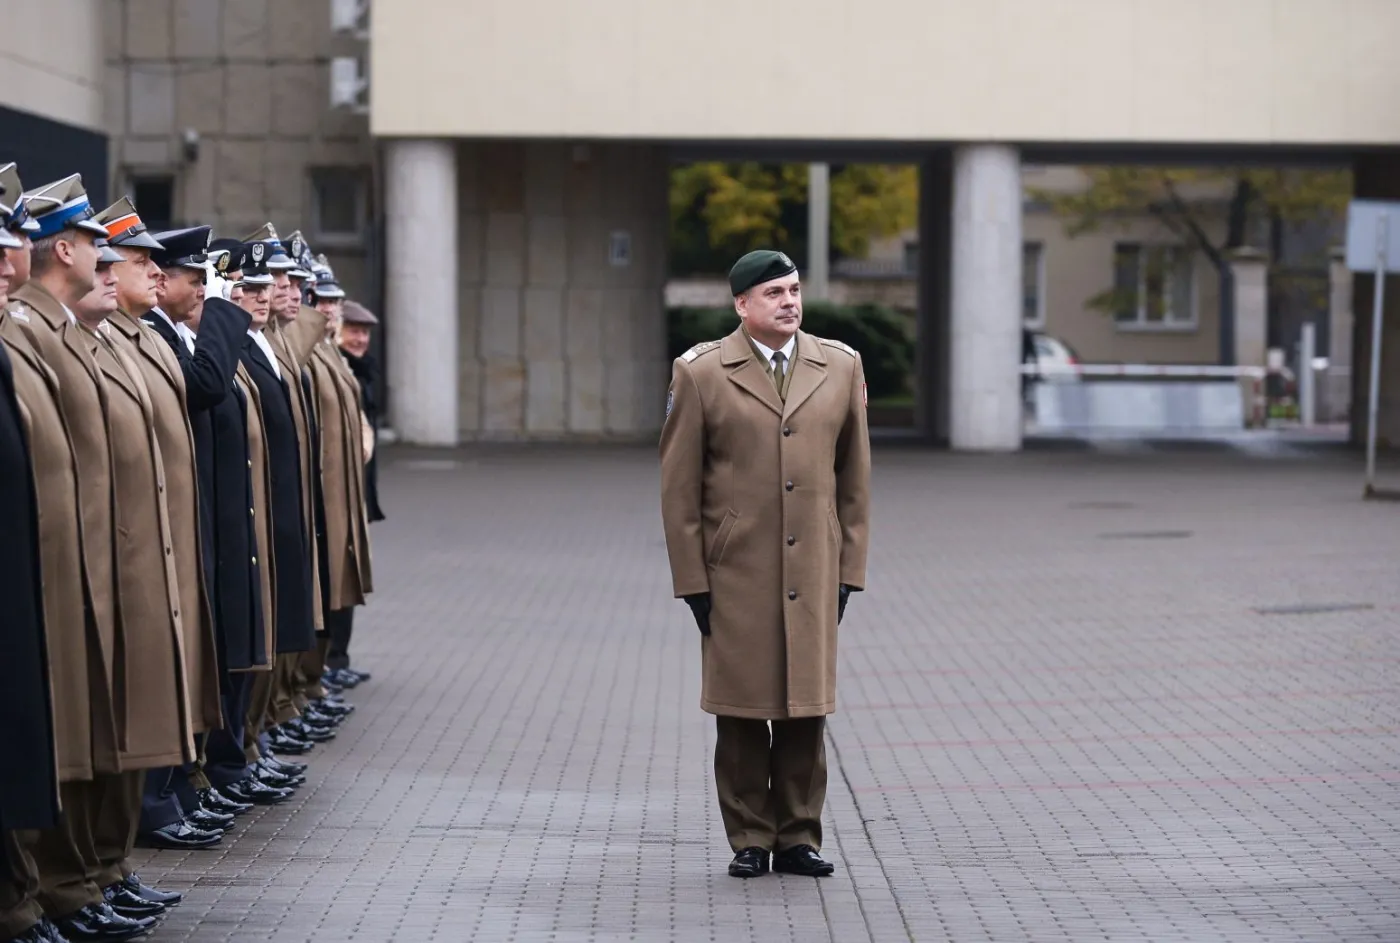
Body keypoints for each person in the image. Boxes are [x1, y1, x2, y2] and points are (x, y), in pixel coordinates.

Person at [658, 249, 871, 879]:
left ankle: (800, 837)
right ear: (742, 305)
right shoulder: (700, 373)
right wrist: (693, 580)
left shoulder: (838, 366)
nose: (789, 302)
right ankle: (750, 835)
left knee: (807, 706)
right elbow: (678, 488)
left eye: (794, 290)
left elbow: (855, 478)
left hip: (814, 567)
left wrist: (848, 568)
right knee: (743, 708)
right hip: (737, 570)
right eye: (773, 292)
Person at [12, 175, 179, 939]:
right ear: (68, 249)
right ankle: (52, 886)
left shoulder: (61, 333)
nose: (111, 267)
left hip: (94, 564)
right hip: (52, 571)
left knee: (94, 727)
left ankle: (88, 874)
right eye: (101, 251)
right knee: (63, 735)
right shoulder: (29, 334)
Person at [310, 272, 375, 688]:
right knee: (322, 589)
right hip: (320, 492)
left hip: (344, 487)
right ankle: (312, 680)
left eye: (336, 302)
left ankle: (323, 672)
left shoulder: (330, 354)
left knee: (339, 584)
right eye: (322, 301)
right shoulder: (309, 352)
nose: (331, 310)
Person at [336, 298, 384, 524]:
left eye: (365, 333)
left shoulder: (365, 371)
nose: (361, 340)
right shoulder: (340, 369)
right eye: (354, 332)